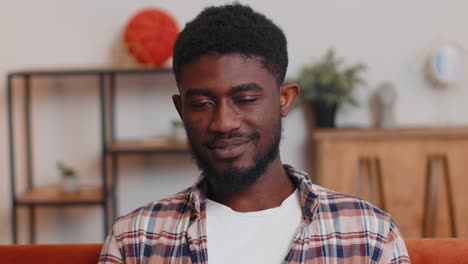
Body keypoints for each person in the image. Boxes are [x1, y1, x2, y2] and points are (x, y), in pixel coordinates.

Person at [99, 3, 410, 263]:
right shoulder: (135, 240)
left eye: (245, 99)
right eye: (202, 103)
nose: (223, 122)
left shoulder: (369, 236)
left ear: (285, 99)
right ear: (181, 110)